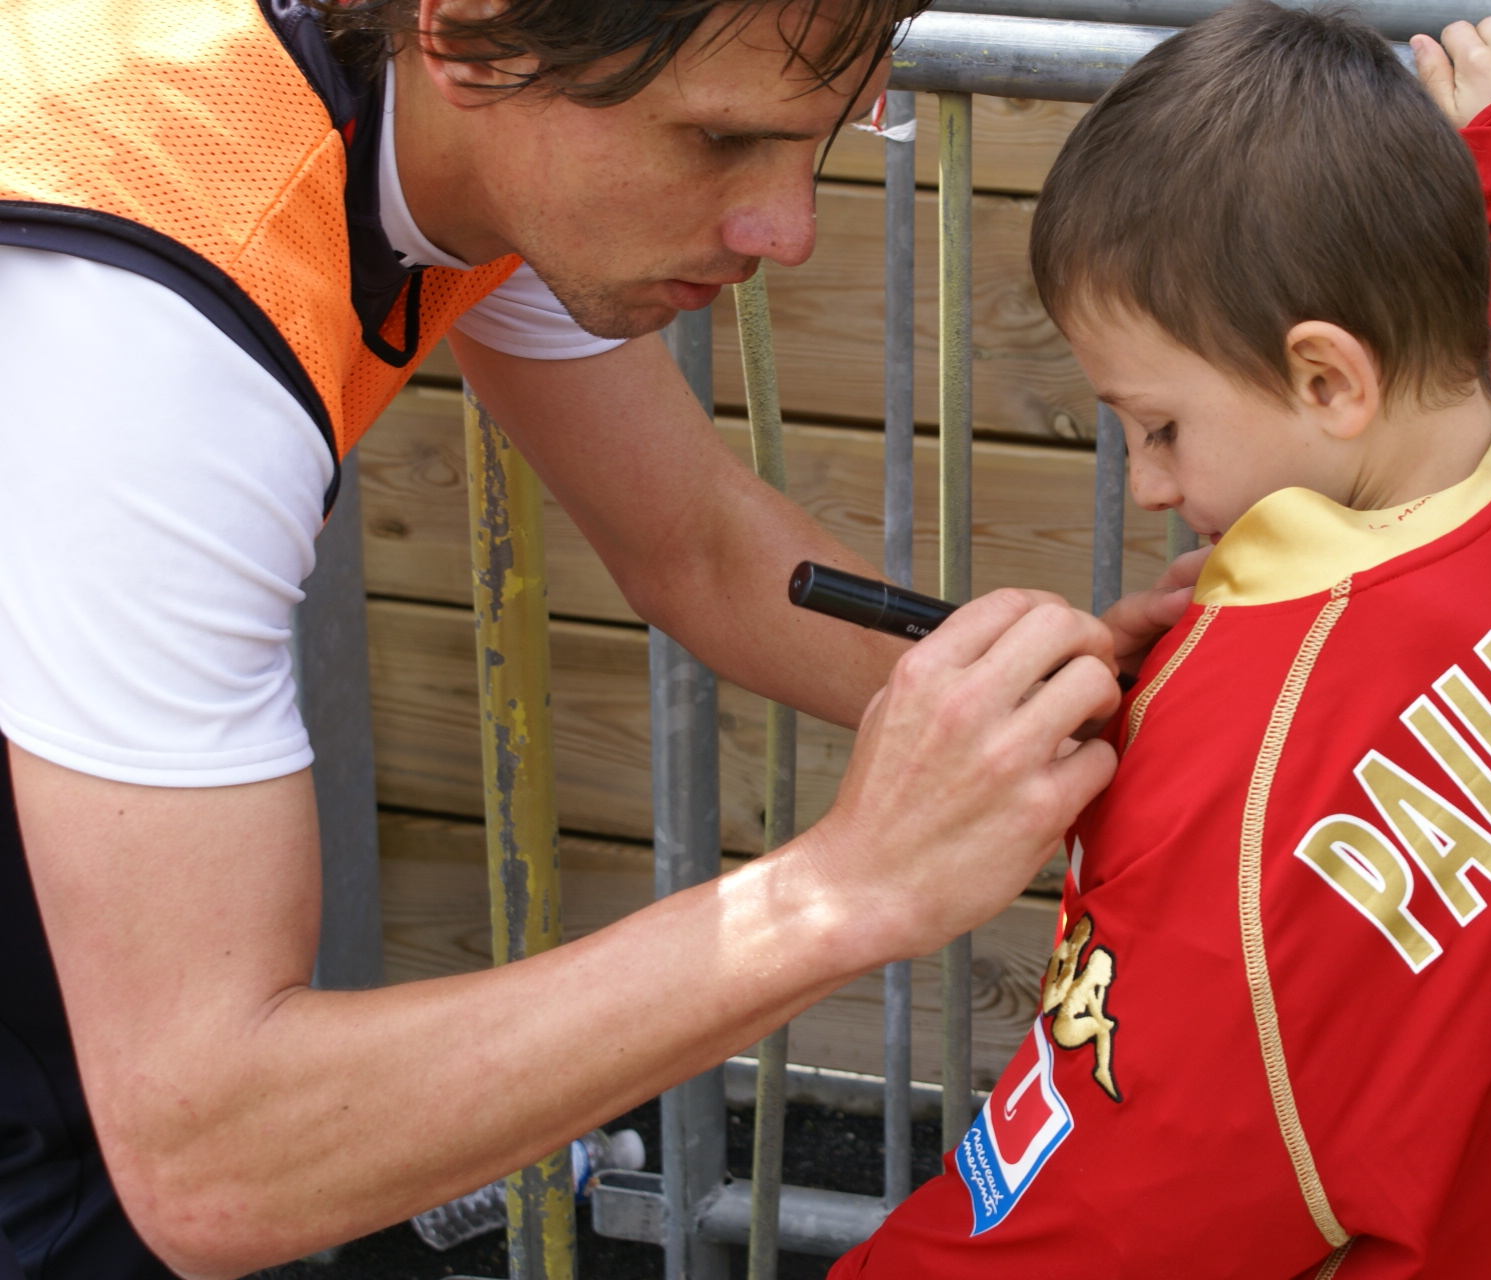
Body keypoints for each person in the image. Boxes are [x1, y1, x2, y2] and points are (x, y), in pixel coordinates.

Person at [0, 1, 1197, 1277]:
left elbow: (702, 544)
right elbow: (217, 1157)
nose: (787, 229)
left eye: (829, 136)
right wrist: (844, 890)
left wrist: (1080, 709)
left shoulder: (481, 130)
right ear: (465, 34)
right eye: (721, 139)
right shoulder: (146, 357)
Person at [833, 6, 1491, 1277]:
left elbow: (1105, 1215)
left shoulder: (1264, 763)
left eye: (1160, 426)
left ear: (1330, 380)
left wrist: (1183, 740)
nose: (1149, 484)